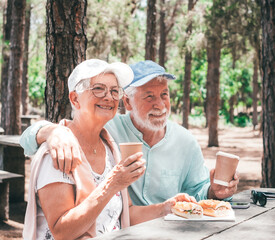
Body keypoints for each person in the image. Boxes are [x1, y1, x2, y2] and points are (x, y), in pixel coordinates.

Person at [20, 60, 239, 209]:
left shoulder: (186, 142)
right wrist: (52, 130)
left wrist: (215, 191)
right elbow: (27, 141)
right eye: (149, 97)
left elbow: (198, 192)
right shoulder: (107, 127)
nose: (160, 104)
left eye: (164, 95)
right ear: (127, 102)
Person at [23, 59, 194, 240]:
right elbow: (62, 231)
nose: (109, 97)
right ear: (75, 98)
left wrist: (166, 208)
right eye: (98, 88)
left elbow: (125, 213)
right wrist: (112, 184)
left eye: (114, 91)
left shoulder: (110, 147)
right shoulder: (59, 150)